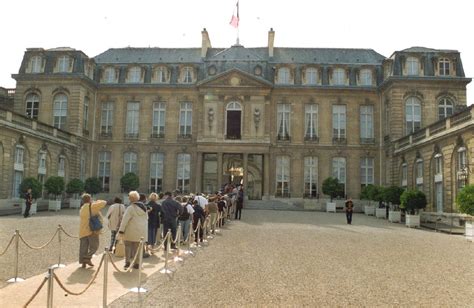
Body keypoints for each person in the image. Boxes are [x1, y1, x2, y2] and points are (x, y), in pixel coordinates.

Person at [117, 191, 148, 270]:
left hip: (130, 230)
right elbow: (146, 219)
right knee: (137, 248)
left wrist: (121, 230)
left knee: (128, 246)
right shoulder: (144, 208)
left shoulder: (130, 208)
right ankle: (137, 263)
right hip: (141, 231)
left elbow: (125, 220)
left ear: (130, 199)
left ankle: (127, 262)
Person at [79, 194, 106, 268]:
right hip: (92, 230)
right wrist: (96, 201)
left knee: (83, 247)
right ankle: (87, 258)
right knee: (94, 246)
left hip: (82, 230)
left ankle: (83, 263)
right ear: (90, 199)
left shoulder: (82, 208)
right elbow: (104, 202)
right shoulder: (92, 206)